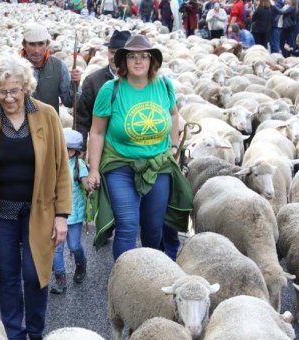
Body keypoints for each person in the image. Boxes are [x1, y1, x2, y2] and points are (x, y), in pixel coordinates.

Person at [0, 56, 71, 340]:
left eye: (14, 90)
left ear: (26, 87)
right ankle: (14, 333)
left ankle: (35, 332)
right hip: (1, 213)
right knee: (9, 277)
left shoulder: (47, 116)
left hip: (40, 210)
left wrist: (62, 215)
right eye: (2, 92)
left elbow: (61, 167)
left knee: (35, 275)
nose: (9, 98)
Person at [86, 35, 192, 261]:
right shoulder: (110, 89)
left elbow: (173, 114)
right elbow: (97, 131)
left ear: (152, 61)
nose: (138, 61)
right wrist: (93, 168)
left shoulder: (164, 85)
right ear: (123, 61)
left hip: (158, 166)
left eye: (144, 56)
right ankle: (123, 280)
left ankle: (150, 276)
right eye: (132, 56)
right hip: (120, 165)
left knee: (153, 227)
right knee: (127, 225)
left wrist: (174, 145)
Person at [49, 128, 89, 295]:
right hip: (55, 214)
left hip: (75, 214)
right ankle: (60, 279)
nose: (66, 152)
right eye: (63, 148)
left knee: (74, 245)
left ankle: (81, 264)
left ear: (75, 151)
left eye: (69, 149)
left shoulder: (79, 166)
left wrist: (91, 183)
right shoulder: (51, 164)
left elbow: (87, 185)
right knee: (56, 248)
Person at [76, 30, 131, 151]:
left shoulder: (139, 82)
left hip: (133, 148)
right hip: (102, 150)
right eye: (112, 52)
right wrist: (79, 149)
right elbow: (82, 120)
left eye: (120, 53)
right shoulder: (93, 81)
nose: (115, 57)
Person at [20, 22, 81, 116]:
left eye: (41, 44)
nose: (36, 50)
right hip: (20, 127)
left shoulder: (59, 67)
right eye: (32, 44)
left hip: (49, 125)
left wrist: (75, 85)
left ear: (47, 44)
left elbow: (68, 102)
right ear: (24, 44)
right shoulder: (16, 68)